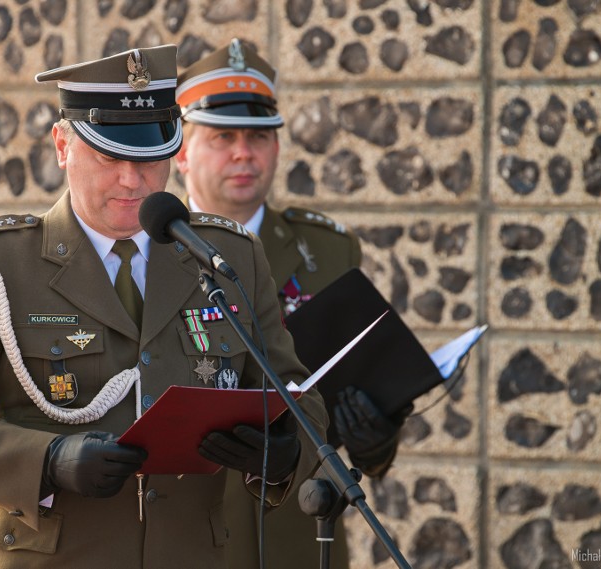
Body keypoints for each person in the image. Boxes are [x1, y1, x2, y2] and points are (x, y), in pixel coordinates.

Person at [0, 44, 328, 569]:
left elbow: (295, 395)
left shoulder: (226, 256)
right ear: (62, 144)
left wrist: (285, 454)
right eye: (109, 156)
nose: (133, 180)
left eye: (150, 158)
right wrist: (47, 460)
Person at [175, 39, 413, 569]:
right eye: (222, 137)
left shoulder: (328, 251)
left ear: (278, 148)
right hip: (177, 535)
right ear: (181, 152)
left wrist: (376, 436)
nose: (244, 152)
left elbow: (358, 398)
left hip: (295, 537)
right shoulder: (144, 251)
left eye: (259, 136)